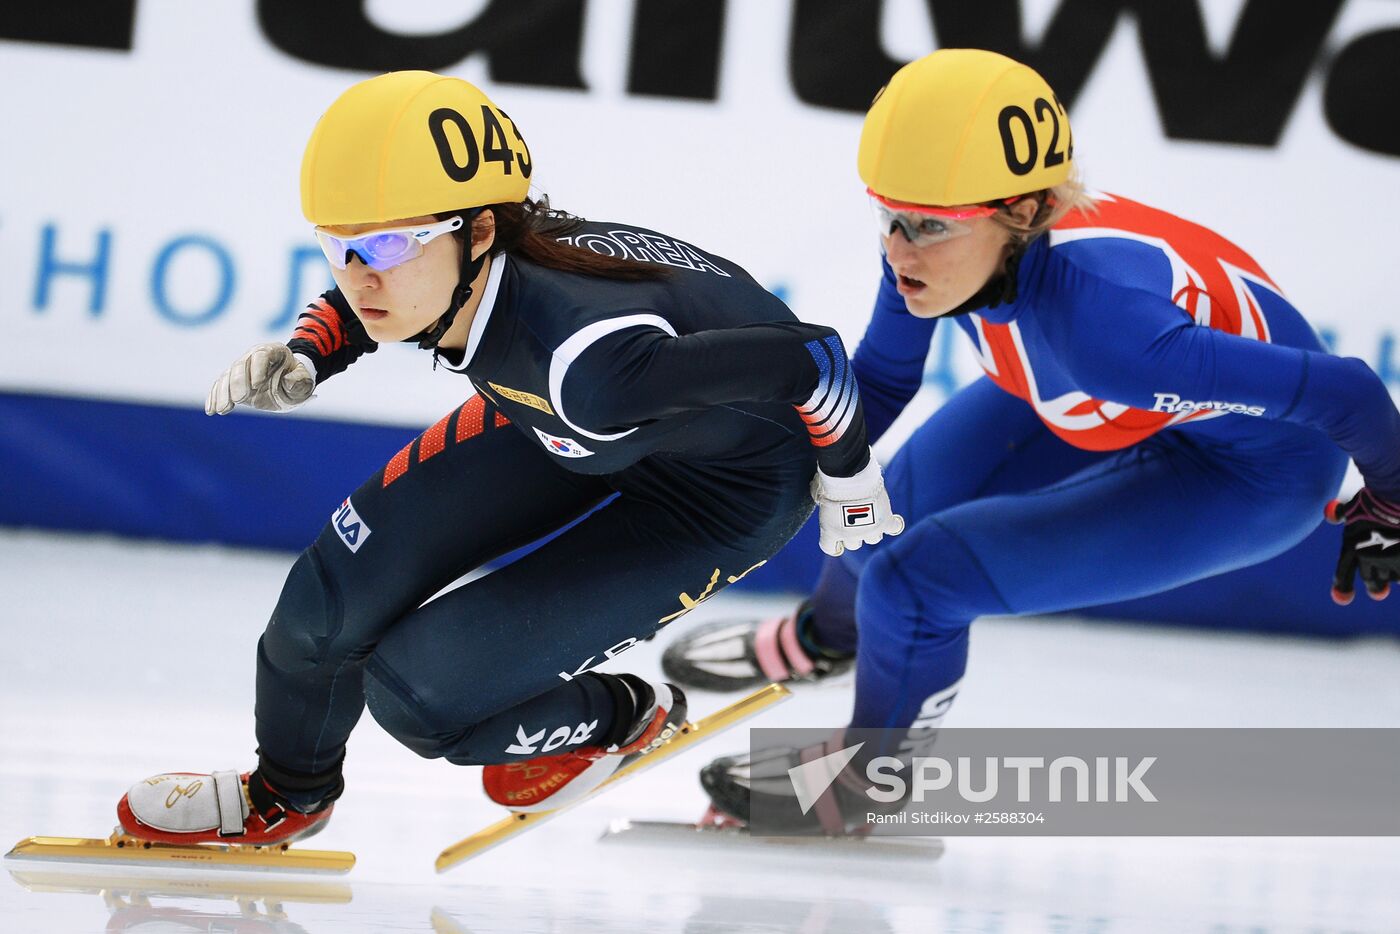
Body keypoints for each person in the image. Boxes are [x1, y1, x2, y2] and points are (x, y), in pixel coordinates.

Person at [113, 70, 902, 847]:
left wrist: (848, 472)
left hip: (716, 495)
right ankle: (286, 796)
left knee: (423, 698)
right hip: (562, 424)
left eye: (386, 243)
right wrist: (312, 350)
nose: (358, 276)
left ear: (481, 230)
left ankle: (627, 712)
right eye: (338, 247)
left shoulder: (585, 361)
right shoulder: (467, 265)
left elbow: (816, 358)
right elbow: (385, 285)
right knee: (322, 610)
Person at [661, 49, 1400, 832]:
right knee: (887, 504)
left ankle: (864, 784)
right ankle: (829, 637)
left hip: (1256, 477)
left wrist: (1389, 503)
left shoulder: (1107, 332)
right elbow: (877, 386)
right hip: (1084, 395)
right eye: (889, 216)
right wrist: (750, 470)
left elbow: (1347, 389)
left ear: (1021, 212)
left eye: (927, 227)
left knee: (918, 583)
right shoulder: (949, 240)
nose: (899, 251)